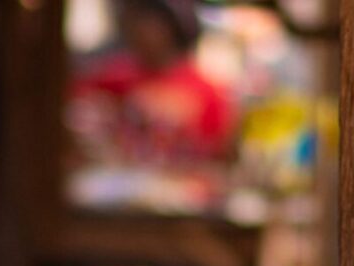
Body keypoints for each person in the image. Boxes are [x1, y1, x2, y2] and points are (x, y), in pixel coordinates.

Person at [71, 0, 234, 163]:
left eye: (148, 25)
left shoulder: (206, 90)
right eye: (132, 26)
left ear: (170, 27)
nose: (139, 34)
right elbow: (75, 97)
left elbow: (219, 150)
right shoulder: (118, 76)